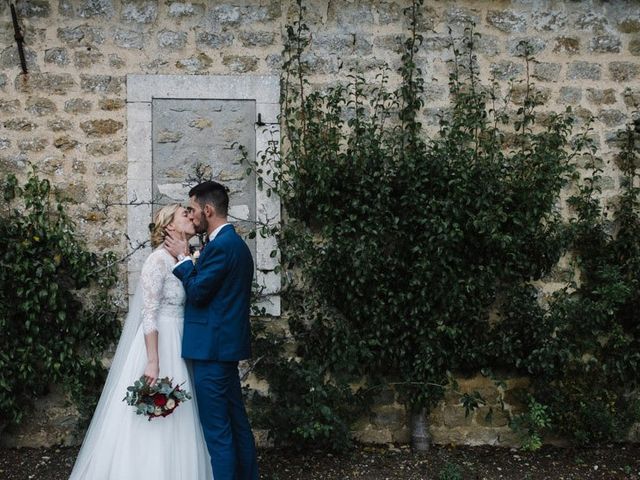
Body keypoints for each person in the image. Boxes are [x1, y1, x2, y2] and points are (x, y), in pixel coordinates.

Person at [69, 204, 212, 480]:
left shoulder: (184, 259)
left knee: (183, 412)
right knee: (158, 410)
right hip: (160, 344)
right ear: (169, 226)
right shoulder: (156, 261)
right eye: (184, 214)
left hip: (182, 343)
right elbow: (149, 313)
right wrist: (153, 361)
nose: (191, 217)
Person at [164, 181, 259, 480]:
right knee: (237, 425)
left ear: (208, 209)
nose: (191, 217)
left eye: (193, 210)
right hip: (223, 349)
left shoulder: (221, 247)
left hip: (212, 352)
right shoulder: (231, 244)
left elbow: (198, 293)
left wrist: (181, 258)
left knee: (218, 433)